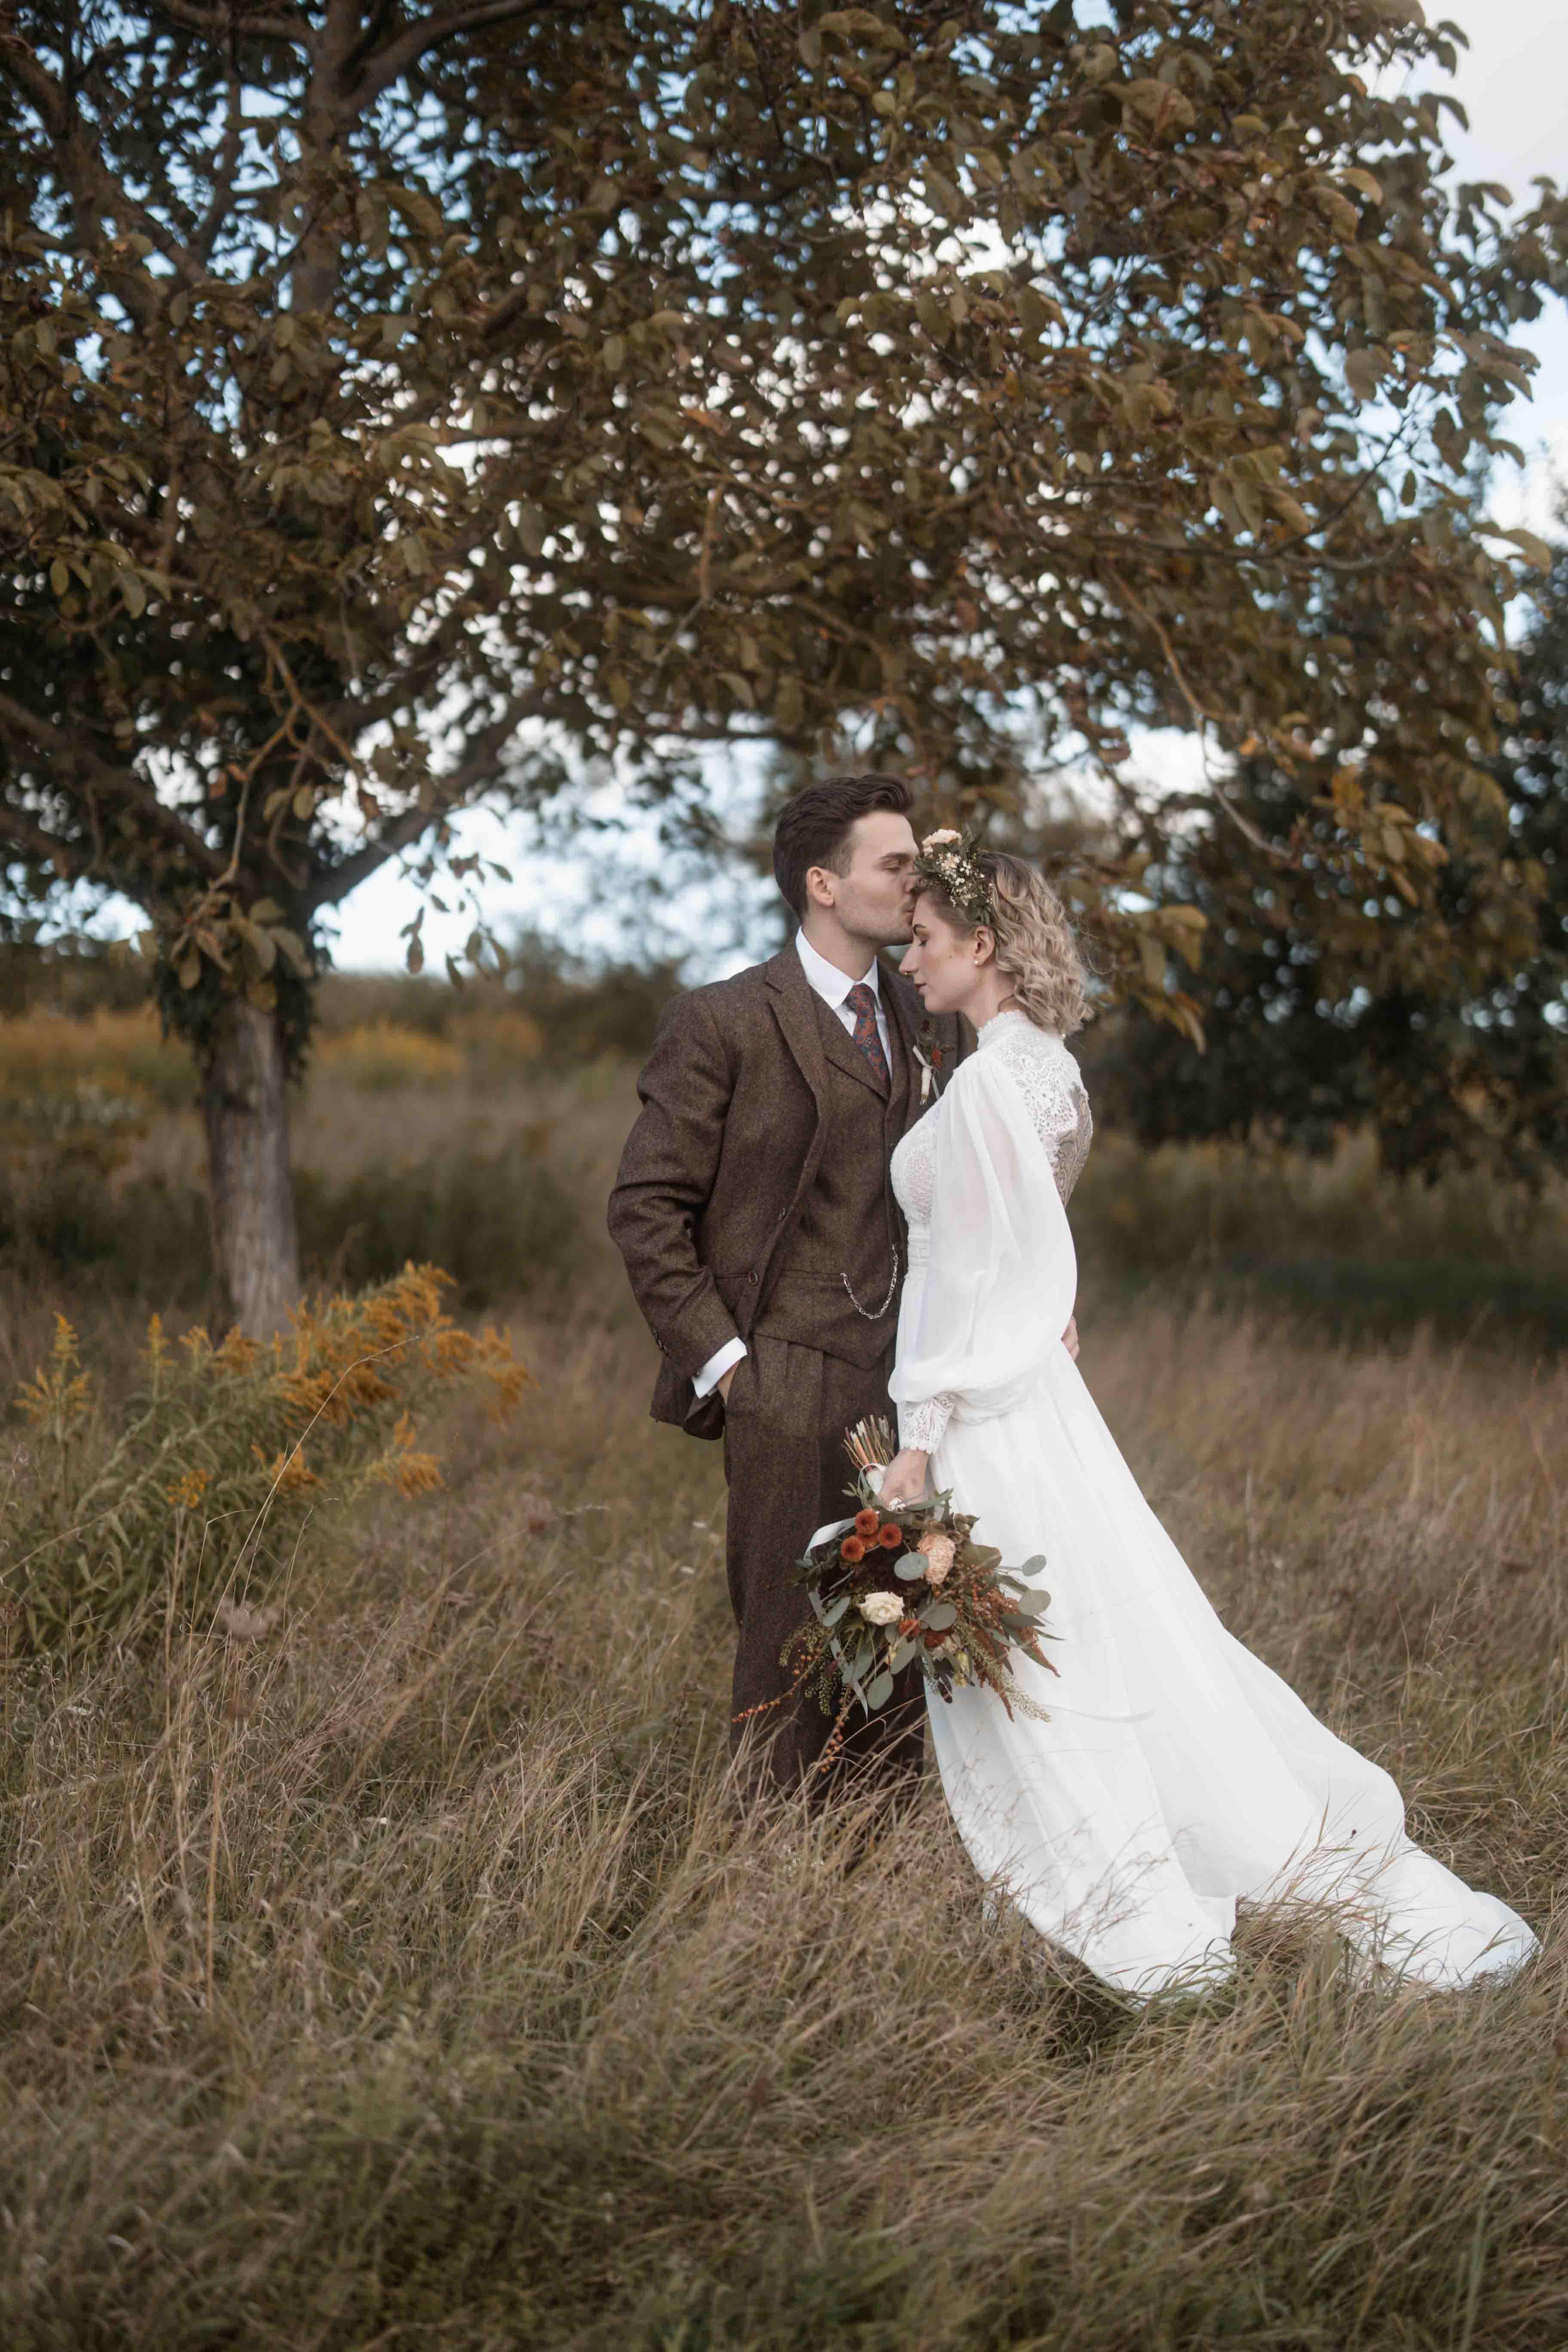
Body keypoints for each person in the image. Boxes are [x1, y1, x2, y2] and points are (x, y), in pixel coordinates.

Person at [876, 832, 1540, 1999]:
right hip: (1044, 1401)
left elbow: (975, 1283)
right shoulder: (1049, 1073)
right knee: (1083, 1635)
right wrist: (1052, 1316)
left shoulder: (988, 1082)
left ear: (982, 945)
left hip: (986, 1415)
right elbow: (1042, 1254)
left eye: (924, 941)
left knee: (1032, 1659)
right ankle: (1074, 1886)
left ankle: (1097, 1902)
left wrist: (917, 1446)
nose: (908, 960)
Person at [608, 774, 981, 1811]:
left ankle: (874, 1880)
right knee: (784, 1653)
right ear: (823, 883)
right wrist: (731, 1367)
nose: (919, 882)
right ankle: (762, 1886)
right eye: (895, 864)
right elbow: (645, 1208)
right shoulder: (724, 1021)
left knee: (909, 1641)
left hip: (914, 1384)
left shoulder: (931, 1013)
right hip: (781, 1375)